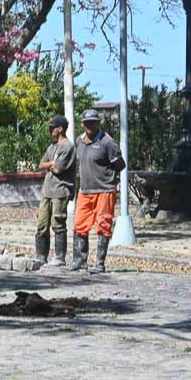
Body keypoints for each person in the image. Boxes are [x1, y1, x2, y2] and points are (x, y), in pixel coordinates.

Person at [67, 108, 126, 274]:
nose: (90, 125)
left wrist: (110, 180)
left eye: (93, 122)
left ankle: (100, 263)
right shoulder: (79, 141)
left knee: (103, 225)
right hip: (85, 191)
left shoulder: (108, 142)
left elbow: (120, 165)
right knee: (79, 225)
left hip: (104, 190)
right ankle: (79, 261)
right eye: (87, 123)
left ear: (98, 123)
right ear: (82, 124)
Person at [35, 114, 75, 267]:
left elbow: (58, 169)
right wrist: (52, 162)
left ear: (60, 128)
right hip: (47, 191)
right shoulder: (52, 147)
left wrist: (52, 165)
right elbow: (41, 165)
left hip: (60, 191)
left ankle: (59, 257)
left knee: (58, 224)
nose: (50, 130)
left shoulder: (68, 147)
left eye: (52, 127)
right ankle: (41, 256)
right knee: (42, 224)